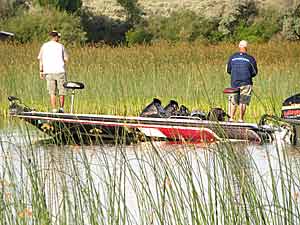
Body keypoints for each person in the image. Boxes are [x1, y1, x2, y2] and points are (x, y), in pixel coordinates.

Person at [226, 40, 258, 122]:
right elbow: (254, 72)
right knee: (243, 101)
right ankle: (241, 119)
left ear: (239, 47)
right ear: (246, 48)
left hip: (234, 82)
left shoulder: (232, 57)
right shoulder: (250, 59)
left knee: (233, 100)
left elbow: (228, 70)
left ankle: (231, 118)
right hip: (246, 82)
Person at [38, 30, 68, 113]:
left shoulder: (44, 46)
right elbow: (66, 59)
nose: (59, 38)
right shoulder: (61, 46)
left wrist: (41, 71)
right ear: (56, 37)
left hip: (48, 72)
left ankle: (54, 109)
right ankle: (61, 109)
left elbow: (40, 59)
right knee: (62, 91)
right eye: (58, 37)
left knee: (52, 92)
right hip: (60, 71)